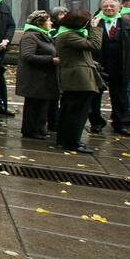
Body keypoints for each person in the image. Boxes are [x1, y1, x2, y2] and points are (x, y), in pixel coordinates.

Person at [88, 0, 130, 137]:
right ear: (101, 8)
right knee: (95, 96)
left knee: (120, 96)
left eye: (112, 6)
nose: (109, 9)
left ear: (119, 8)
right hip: (99, 66)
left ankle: (120, 123)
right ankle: (96, 123)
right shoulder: (94, 23)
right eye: (105, 7)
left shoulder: (129, 24)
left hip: (121, 66)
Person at [55, 10, 103, 153]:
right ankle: (72, 142)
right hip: (79, 79)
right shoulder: (69, 35)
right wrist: (95, 28)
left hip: (77, 77)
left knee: (70, 110)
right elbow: (94, 45)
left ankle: (64, 139)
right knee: (77, 112)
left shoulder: (68, 33)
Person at [15, 10, 59, 139]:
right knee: (34, 105)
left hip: (44, 76)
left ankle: (39, 128)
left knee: (42, 104)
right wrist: (51, 60)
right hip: (35, 77)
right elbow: (27, 56)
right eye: (48, 20)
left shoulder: (43, 35)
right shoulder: (31, 36)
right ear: (40, 23)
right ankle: (31, 129)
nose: (51, 23)